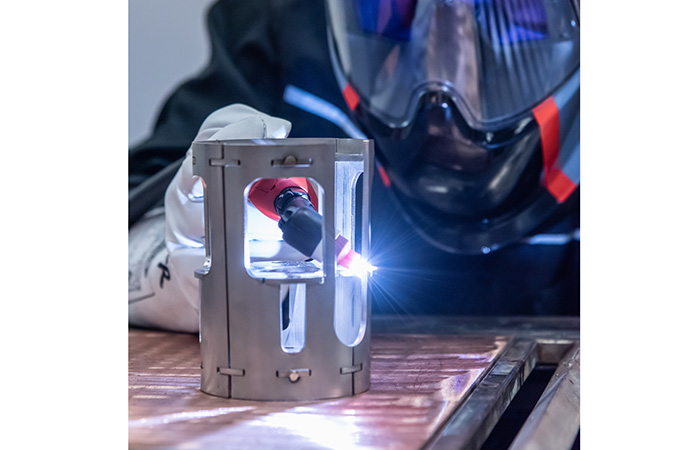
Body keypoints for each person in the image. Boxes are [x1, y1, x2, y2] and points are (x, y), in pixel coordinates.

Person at [129, 0, 580, 333]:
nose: (450, 84)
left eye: (517, 16)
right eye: (398, 12)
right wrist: (175, 264)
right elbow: (137, 201)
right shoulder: (281, 31)